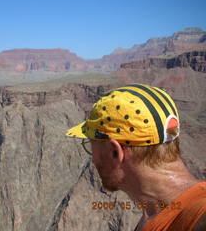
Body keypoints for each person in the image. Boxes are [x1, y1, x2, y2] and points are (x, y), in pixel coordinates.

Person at [66, 83, 206, 231]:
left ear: (115, 152)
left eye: (91, 145)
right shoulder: (152, 214)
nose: (93, 160)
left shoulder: (199, 217)